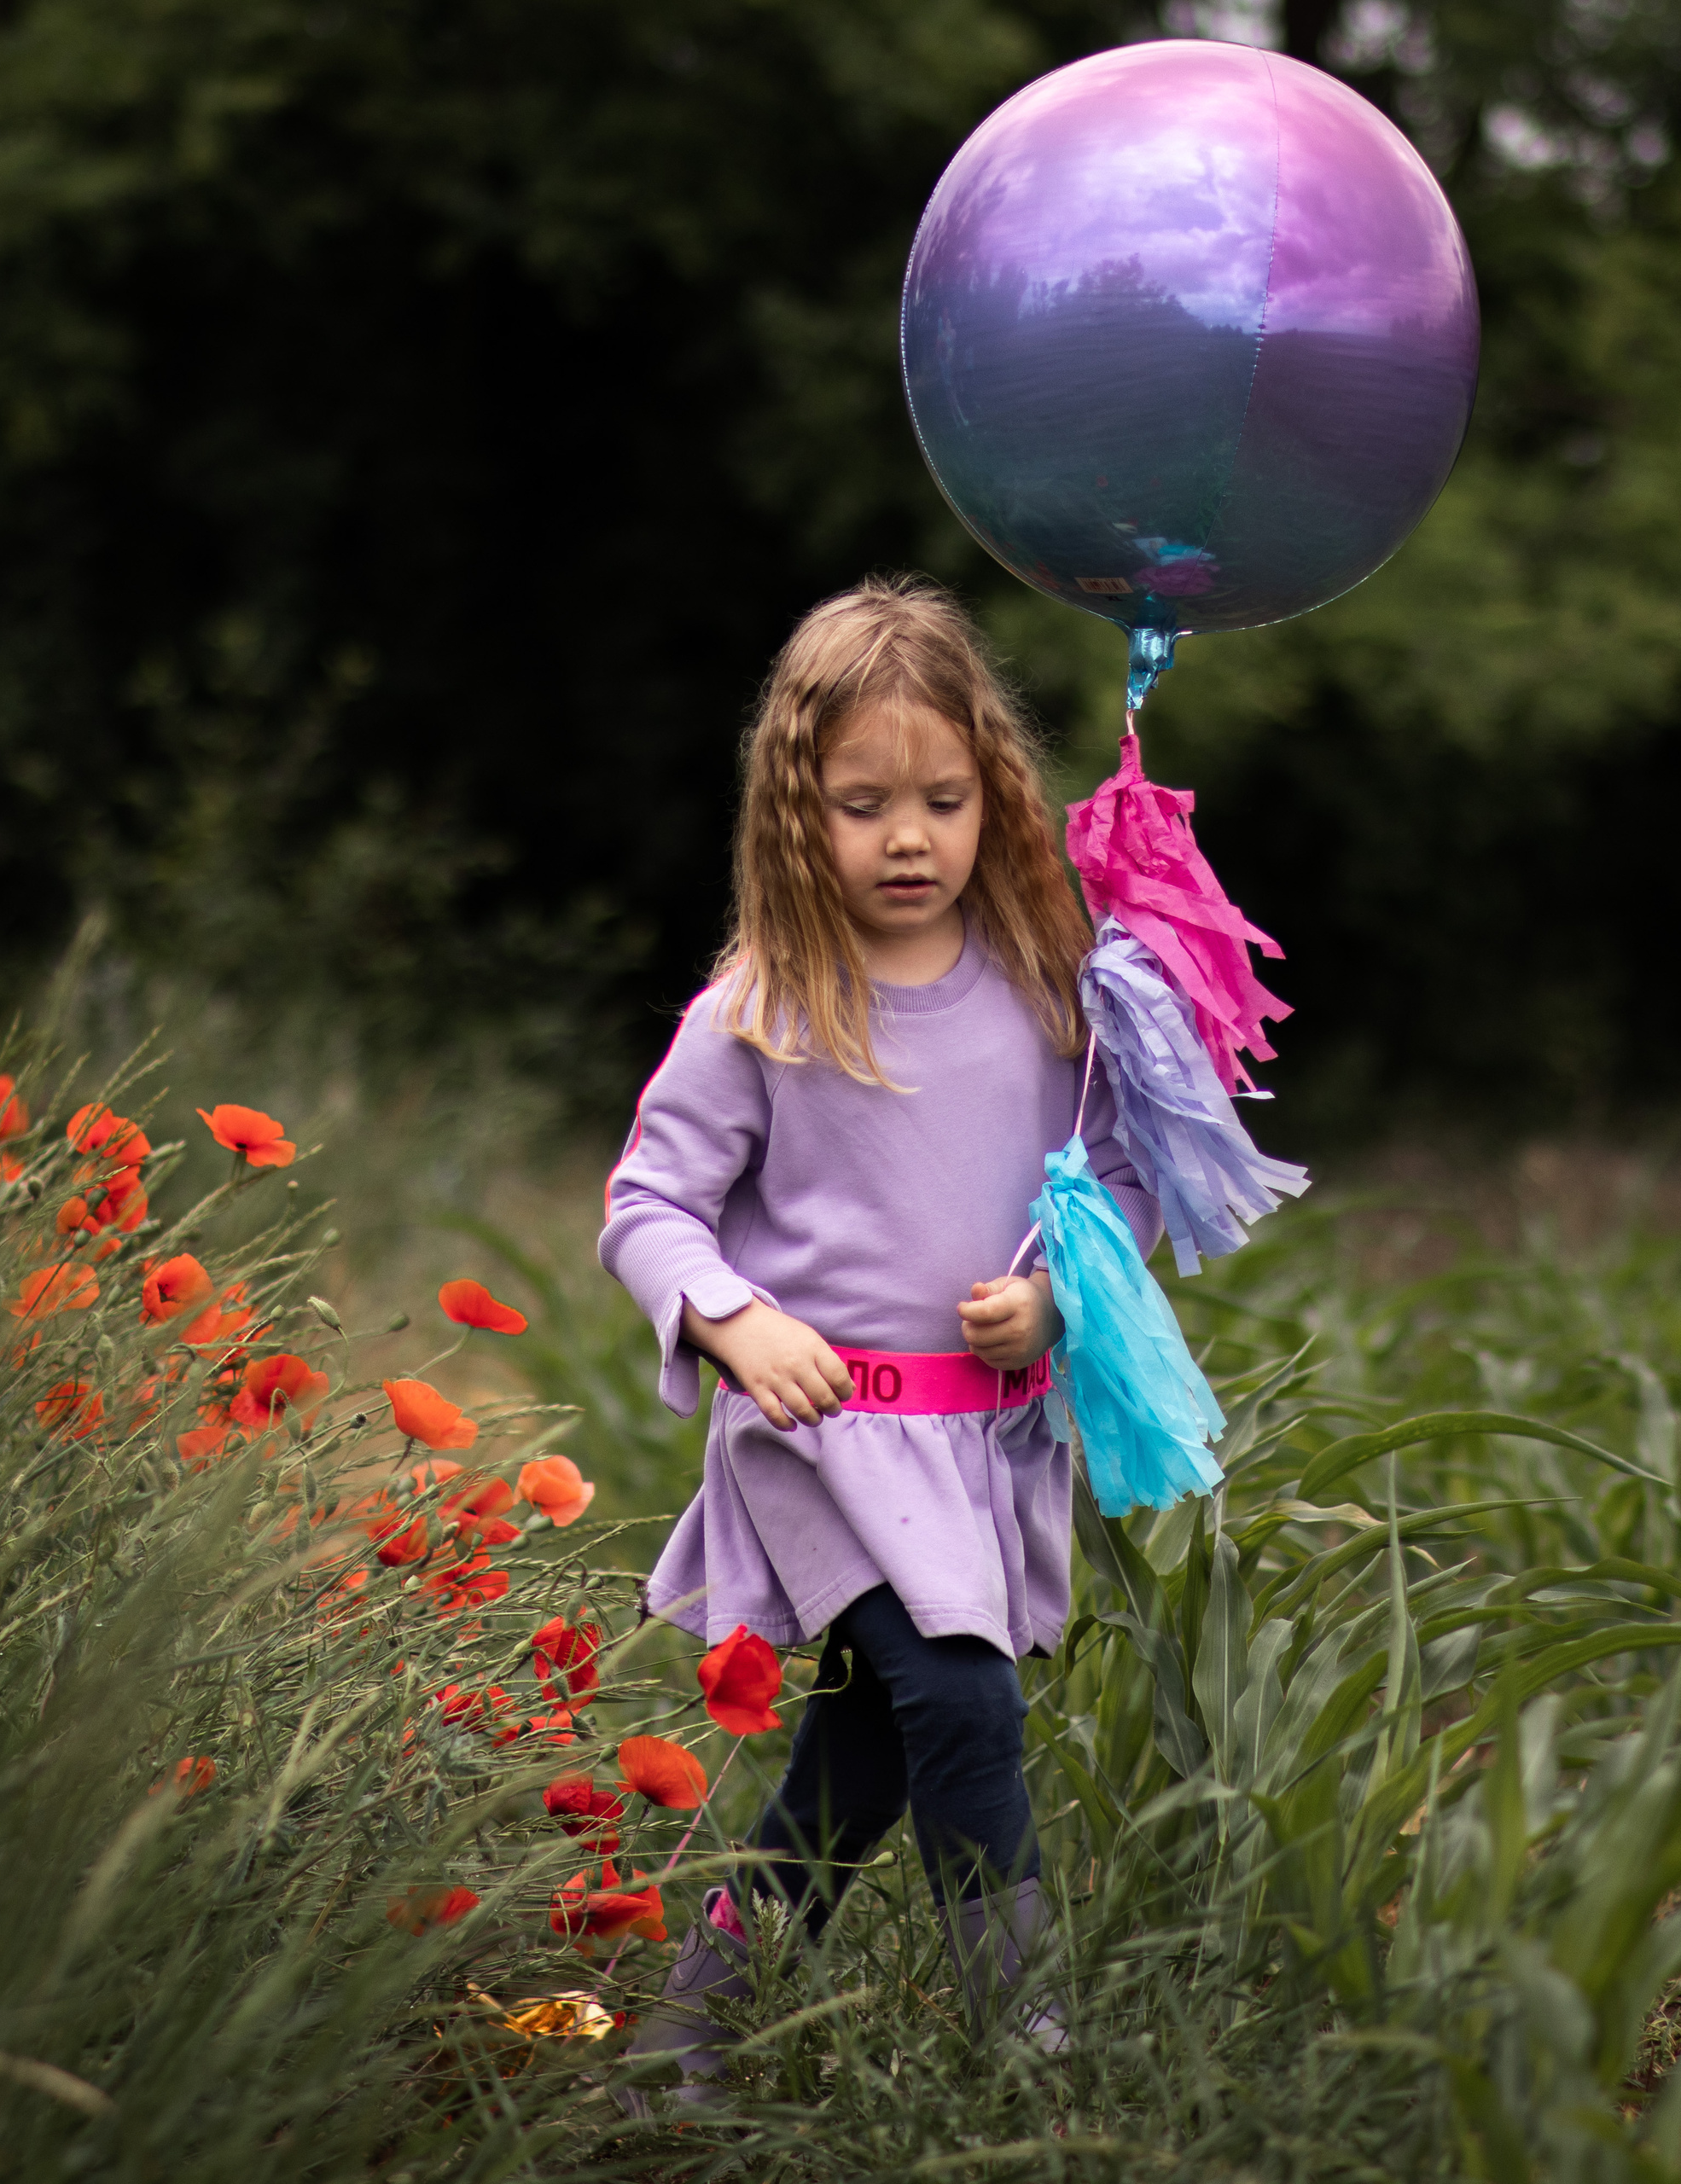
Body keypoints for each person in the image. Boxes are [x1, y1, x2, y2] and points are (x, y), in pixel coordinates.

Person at [597, 574, 1160, 2102]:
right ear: (796, 814)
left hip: (984, 1444)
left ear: (993, 797)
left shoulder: (1049, 996)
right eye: (862, 805)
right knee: (962, 1700)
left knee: (855, 1771)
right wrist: (732, 1318)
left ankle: (690, 2032)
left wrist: (1058, 1300)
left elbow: (1119, 1180)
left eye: (941, 799)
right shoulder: (763, 1007)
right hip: (828, 1437)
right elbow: (650, 1203)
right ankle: (1029, 2039)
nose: (907, 837)